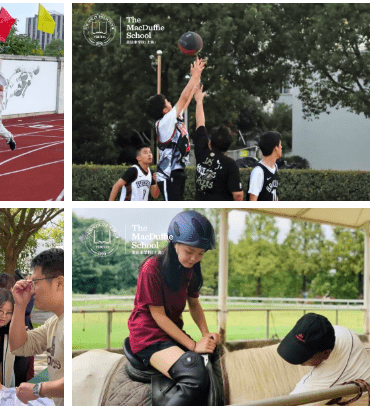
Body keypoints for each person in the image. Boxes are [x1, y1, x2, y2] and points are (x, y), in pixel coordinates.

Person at [127, 211, 219, 405]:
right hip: (148, 336)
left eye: (200, 253)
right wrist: (193, 346)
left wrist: (206, 335)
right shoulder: (151, 267)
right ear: (174, 243)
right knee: (194, 374)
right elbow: (158, 316)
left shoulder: (190, 269)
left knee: (214, 356)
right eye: (189, 251)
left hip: (169, 333)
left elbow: (194, 304)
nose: (194, 258)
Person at [146, 57, 206, 201]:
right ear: (164, 110)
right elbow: (183, 97)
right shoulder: (165, 122)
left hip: (177, 172)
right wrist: (194, 76)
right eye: (166, 101)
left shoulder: (171, 119)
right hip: (168, 175)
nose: (170, 102)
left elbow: (187, 98)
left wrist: (197, 79)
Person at [10, 248, 64, 405]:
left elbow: (80, 376)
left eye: (35, 283)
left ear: (59, 283)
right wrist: (20, 305)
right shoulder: (53, 323)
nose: (31, 290)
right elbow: (19, 347)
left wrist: (38, 389)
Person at [277, 313, 370, 395]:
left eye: (304, 357)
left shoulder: (327, 375)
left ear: (326, 353)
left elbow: (294, 402)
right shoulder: (341, 331)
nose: (301, 362)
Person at [193, 84, 243, 201]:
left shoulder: (201, 152)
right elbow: (238, 195)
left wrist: (199, 101)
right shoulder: (230, 165)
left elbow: (200, 123)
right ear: (228, 147)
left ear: (210, 142)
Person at [248, 131, 282, 201]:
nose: (281, 147)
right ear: (275, 148)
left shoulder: (275, 167)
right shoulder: (258, 171)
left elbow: (274, 193)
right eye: (280, 144)